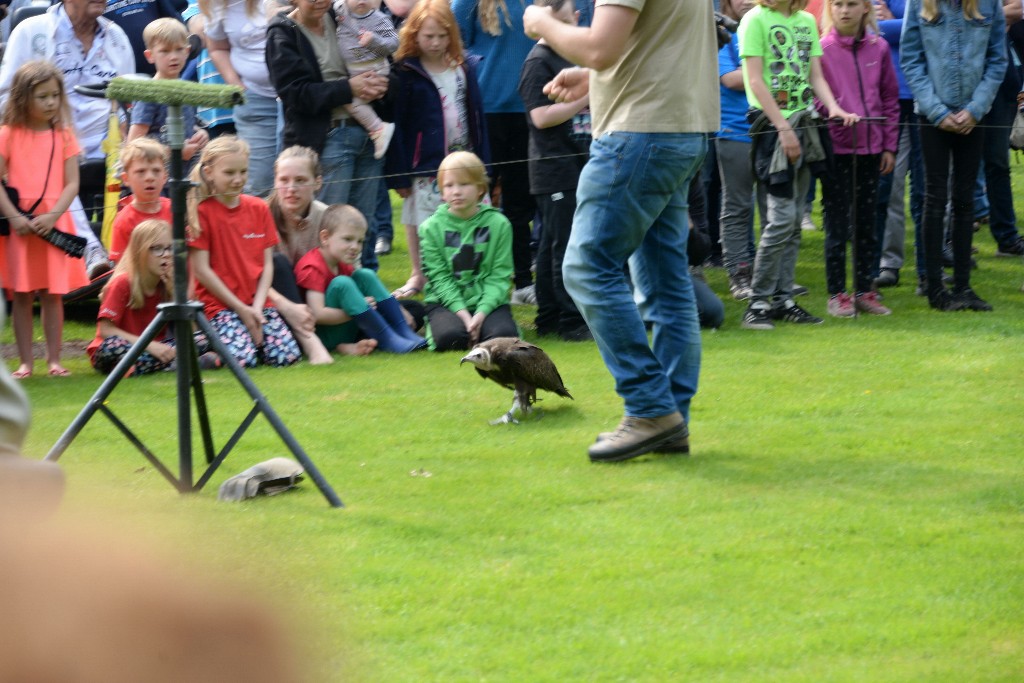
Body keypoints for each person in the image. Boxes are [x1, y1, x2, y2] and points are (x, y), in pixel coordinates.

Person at [524, 0, 718, 462]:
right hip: (679, 131)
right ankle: (670, 422)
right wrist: (596, 82)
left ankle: (651, 408)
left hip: (639, 135)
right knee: (667, 285)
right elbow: (656, 47)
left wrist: (543, 24)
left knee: (587, 267)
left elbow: (601, 47)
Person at [737, 0, 858, 330]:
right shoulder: (754, 19)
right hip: (771, 126)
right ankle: (757, 304)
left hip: (808, 124)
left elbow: (815, 74)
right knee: (780, 219)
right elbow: (756, 80)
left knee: (792, 225)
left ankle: (783, 299)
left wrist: (834, 107)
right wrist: (783, 127)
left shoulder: (807, 20)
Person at [0, 0, 134, 279]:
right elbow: (5, 97)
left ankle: (140, 259)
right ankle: (92, 252)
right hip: (42, 139)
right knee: (55, 159)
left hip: (108, 144)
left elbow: (129, 101)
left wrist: (127, 132)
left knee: (152, 160)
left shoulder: (117, 38)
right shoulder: (30, 32)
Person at [266, 0, 391, 274]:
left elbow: (378, 50)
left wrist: (381, 83)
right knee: (330, 229)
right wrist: (349, 88)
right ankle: (325, 299)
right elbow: (296, 94)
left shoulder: (342, 18)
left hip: (368, 134)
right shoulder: (283, 33)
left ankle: (369, 299)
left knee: (363, 228)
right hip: (328, 138)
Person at [900, 0, 1006, 311]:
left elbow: (997, 59)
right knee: (934, 197)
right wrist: (936, 111)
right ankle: (935, 288)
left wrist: (975, 109)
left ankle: (963, 286)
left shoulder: (990, 4)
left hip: (975, 114)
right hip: (933, 115)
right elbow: (911, 59)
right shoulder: (919, 4)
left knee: (965, 199)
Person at [385, 0, 489, 299]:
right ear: (414, 34)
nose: (435, 42)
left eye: (441, 36)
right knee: (420, 217)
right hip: (425, 162)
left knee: (464, 214)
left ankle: (461, 275)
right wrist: (400, 174)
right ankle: (419, 274)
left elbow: (477, 116)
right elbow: (399, 124)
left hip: (463, 156)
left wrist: (486, 164)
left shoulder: (464, 67)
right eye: (428, 36)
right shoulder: (406, 71)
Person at [0, 61, 88, 379]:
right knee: (21, 295)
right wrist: (13, 217)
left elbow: (72, 184)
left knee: (53, 294)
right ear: (24, 98)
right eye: (42, 96)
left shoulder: (64, 135)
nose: (51, 102)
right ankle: (25, 362)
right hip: (18, 225)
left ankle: (54, 360)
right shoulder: (7, 134)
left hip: (55, 223)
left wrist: (52, 216)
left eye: (54, 95)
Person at [186, 135, 302, 367]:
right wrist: (241, 310)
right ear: (209, 172)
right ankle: (202, 348)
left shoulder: (259, 208)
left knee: (286, 357)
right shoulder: (201, 212)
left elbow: (267, 265)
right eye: (229, 173)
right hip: (220, 306)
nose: (238, 179)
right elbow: (201, 270)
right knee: (243, 360)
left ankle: (226, 342)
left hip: (258, 303)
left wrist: (257, 309)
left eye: (243, 172)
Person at [453, 0, 538, 304]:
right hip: (485, 113)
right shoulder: (469, 2)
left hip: (528, 110)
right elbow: (450, 42)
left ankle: (523, 282)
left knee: (519, 204)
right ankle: (469, 283)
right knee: (472, 201)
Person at [819, 0, 899, 317]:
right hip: (837, 149)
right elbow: (815, 92)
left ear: (866, 8)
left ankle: (865, 290)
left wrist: (889, 146)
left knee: (867, 224)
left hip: (872, 149)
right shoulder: (822, 48)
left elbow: (890, 98)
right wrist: (833, 112)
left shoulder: (878, 48)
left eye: (852, 4)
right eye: (838, 4)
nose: (845, 10)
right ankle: (837, 293)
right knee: (837, 226)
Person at [517, 0, 590, 342]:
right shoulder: (538, 61)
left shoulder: (575, 58)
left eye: (568, 20)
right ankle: (571, 321)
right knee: (564, 246)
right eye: (555, 22)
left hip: (577, 162)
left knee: (551, 244)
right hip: (553, 168)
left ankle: (548, 318)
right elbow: (540, 116)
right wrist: (584, 99)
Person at [88, 220, 219, 375]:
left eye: (170, 248)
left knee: (205, 337)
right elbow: (106, 331)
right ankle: (180, 363)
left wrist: (176, 294)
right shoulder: (122, 283)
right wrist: (149, 345)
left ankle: (139, 368)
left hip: (158, 348)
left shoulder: (166, 283)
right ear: (139, 252)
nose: (166, 255)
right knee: (113, 346)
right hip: (122, 347)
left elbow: (190, 331)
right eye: (157, 249)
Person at [295, 203, 426, 354]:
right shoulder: (313, 267)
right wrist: (356, 308)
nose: (355, 247)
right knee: (341, 283)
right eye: (348, 239)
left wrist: (400, 310)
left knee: (365, 275)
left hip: (348, 326)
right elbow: (317, 314)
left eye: (359, 241)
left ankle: (403, 330)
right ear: (325, 237)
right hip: (323, 336)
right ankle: (388, 339)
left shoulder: (341, 262)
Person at [419, 151, 516, 351]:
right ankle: (450, 325)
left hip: (488, 301)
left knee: (503, 340)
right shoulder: (430, 228)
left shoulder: (499, 224)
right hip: (446, 302)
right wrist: (463, 313)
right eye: (449, 185)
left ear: (480, 188)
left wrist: (481, 313)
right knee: (451, 339)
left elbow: (500, 276)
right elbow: (438, 278)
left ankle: (483, 326)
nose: (456, 191)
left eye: (464, 184)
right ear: (441, 191)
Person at [265, 145, 339, 365]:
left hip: (320, 303)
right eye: (284, 180)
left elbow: (348, 269)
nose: (291, 188)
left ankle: (337, 341)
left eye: (300, 180)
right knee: (278, 264)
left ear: (317, 182)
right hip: (273, 304)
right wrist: (288, 307)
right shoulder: (260, 214)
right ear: (275, 181)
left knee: (411, 309)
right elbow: (249, 278)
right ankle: (310, 341)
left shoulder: (328, 216)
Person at [202, 0, 282, 197]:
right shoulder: (216, 5)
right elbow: (216, 47)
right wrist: (234, 82)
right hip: (256, 99)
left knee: (301, 180)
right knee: (259, 186)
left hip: (301, 94)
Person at [716, 0, 764, 302]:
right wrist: (763, 67)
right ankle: (739, 274)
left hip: (770, 128)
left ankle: (769, 276)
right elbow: (729, 79)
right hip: (734, 130)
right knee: (737, 207)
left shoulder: (762, 25)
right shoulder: (722, 33)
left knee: (774, 209)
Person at [128, 18, 210, 176]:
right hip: (158, 180)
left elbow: (187, 123)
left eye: (179, 49)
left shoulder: (185, 88)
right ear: (150, 56)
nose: (173, 57)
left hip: (187, 176)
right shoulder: (149, 93)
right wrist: (176, 152)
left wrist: (200, 134)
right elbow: (135, 144)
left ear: (187, 51)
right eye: (165, 51)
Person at [334, 0, 399, 160]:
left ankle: (378, 129)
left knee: (349, 99)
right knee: (343, 89)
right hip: (353, 69)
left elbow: (394, 43)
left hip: (374, 70)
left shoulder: (380, 19)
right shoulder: (342, 13)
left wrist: (374, 41)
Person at [110, 138, 173, 263]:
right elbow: (121, 269)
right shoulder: (123, 221)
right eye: (141, 171)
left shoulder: (174, 209)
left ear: (165, 176)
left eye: (156, 171)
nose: (149, 177)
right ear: (126, 178)